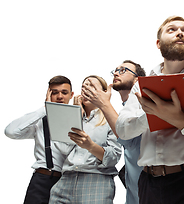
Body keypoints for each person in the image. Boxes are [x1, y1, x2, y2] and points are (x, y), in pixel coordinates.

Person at [114, 16, 184, 204]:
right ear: (158, 43)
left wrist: (181, 120)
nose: (180, 33)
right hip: (149, 184)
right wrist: (152, 114)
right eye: (172, 30)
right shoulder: (142, 85)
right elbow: (123, 130)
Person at [49, 75, 122, 204]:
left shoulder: (111, 120)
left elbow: (113, 158)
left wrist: (91, 146)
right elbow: (61, 149)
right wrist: (75, 116)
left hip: (96, 181)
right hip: (65, 179)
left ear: (104, 92)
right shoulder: (70, 117)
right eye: (84, 86)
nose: (86, 89)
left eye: (91, 86)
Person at [81, 60, 146, 204]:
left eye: (123, 70)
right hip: (133, 192)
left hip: (150, 189)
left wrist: (104, 104)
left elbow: (127, 137)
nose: (116, 73)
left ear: (137, 79)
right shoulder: (120, 112)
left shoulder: (144, 106)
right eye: (116, 70)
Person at [4, 75, 73, 204]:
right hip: (42, 180)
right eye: (54, 92)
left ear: (71, 94)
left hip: (69, 182)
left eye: (64, 92)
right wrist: (45, 108)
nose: (59, 97)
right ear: (48, 94)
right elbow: (11, 132)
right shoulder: (40, 121)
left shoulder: (79, 121)